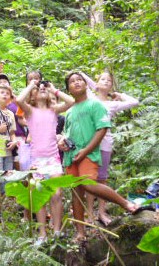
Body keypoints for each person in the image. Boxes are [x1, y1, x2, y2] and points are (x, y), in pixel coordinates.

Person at [58, 72, 140, 241]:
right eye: (72, 82)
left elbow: (102, 128)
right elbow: (67, 133)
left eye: (79, 79)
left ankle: (126, 204)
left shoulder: (95, 105)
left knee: (89, 184)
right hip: (71, 156)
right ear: (69, 89)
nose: (77, 82)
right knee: (76, 193)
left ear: (86, 84)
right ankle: (80, 233)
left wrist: (86, 150)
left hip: (88, 153)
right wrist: (62, 142)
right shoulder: (71, 111)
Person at [17, 79, 74, 245]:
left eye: (44, 89)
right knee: (40, 196)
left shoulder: (53, 110)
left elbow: (70, 101)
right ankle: (42, 234)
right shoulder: (30, 111)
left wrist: (54, 90)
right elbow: (19, 100)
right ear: (33, 96)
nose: (42, 89)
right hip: (37, 160)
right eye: (39, 89)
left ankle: (57, 230)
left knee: (56, 194)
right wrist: (31, 85)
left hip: (53, 158)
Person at [82, 71, 139, 226]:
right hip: (90, 143)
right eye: (103, 79)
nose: (106, 81)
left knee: (102, 178)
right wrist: (96, 86)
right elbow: (80, 76)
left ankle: (101, 212)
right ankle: (89, 214)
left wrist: (118, 94)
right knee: (90, 180)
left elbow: (135, 102)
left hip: (105, 144)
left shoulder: (113, 104)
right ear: (96, 82)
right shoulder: (91, 97)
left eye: (109, 80)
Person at [0, 85, 18, 192]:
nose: (5, 95)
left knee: (8, 178)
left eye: (7, 94)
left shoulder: (11, 113)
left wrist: (14, 141)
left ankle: (5, 204)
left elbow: (12, 132)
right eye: (2, 92)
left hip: (8, 150)